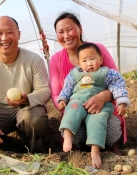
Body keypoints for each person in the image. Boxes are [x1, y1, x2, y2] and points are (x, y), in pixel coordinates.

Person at [0, 16, 51, 153]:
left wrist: (27, 99)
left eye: (10, 32)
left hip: (25, 109)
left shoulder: (34, 60)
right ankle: (12, 147)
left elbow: (44, 90)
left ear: (18, 34)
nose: (4, 38)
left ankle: (34, 145)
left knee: (35, 120)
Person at [49, 12, 127, 152]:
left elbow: (116, 81)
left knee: (109, 134)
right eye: (61, 32)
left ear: (80, 29)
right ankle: (81, 147)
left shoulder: (98, 50)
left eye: (70, 29)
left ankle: (104, 146)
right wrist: (64, 104)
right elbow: (56, 93)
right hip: (75, 108)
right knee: (74, 132)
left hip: (101, 109)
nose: (66, 35)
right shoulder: (56, 59)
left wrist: (101, 97)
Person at [58, 43, 130, 168]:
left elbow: (118, 86)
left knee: (98, 121)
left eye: (93, 59)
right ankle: (68, 137)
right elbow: (67, 87)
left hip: (100, 107)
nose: (89, 63)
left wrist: (121, 102)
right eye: (84, 60)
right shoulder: (74, 74)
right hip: (78, 100)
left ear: (101, 59)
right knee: (72, 111)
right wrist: (62, 99)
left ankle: (95, 151)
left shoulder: (107, 73)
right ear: (79, 63)